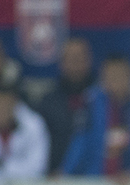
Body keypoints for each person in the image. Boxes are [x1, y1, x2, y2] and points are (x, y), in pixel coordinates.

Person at [62, 54, 130, 181]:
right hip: (96, 181)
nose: (116, 81)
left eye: (120, 75)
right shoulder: (91, 103)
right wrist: (65, 173)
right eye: (111, 76)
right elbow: (80, 141)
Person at [35, 37, 95, 176]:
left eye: (80, 58)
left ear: (89, 61)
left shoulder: (101, 99)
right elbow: (39, 143)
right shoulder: (48, 102)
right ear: (61, 63)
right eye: (71, 59)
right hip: (55, 178)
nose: (75, 64)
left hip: (96, 178)